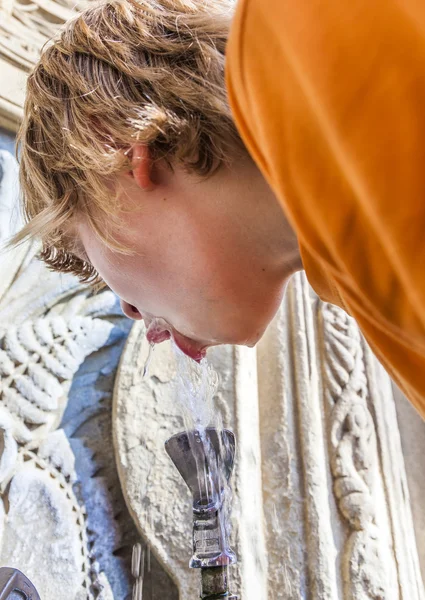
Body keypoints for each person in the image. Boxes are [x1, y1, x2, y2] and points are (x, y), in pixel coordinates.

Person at [11, 0, 425, 417]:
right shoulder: (359, 280)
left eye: (88, 254)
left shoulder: (320, 19)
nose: (129, 310)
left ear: (117, 149)